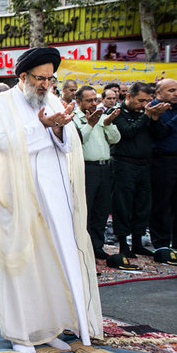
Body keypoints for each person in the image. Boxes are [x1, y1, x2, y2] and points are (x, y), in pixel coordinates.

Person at [0, 47, 103, 353]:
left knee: (53, 262)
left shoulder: (51, 101)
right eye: (40, 78)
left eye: (50, 78)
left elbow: (67, 146)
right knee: (20, 263)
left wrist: (60, 128)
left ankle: (48, 328)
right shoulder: (0, 103)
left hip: (54, 199)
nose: (46, 84)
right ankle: (21, 334)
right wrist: (43, 126)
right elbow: (0, 142)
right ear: (23, 76)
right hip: (17, 199)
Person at [111, 82, 170, 258]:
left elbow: (160, 134)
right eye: (140, 100)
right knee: (123, 205)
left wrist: (156, 118)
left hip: (144, 165)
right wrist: (147, 116)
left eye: (147, 101)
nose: (143, 104)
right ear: (128, 96)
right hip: (124, 165)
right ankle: (123, 243)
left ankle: (137, 242)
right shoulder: (117, 113)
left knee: (142, 205)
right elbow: (127, 132)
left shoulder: (147, 113)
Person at [72, 86, 121, 259]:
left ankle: (97, 246)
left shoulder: (102, 115)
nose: (93, 103)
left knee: (101, 210)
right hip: (87, 168)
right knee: (86, 209)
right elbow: (77, 141)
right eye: (89, 100)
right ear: (78, 102)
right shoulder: (74, 118)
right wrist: (90, 124)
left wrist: (107, 124)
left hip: (105, 167)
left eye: (95, 100)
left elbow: (115, 139)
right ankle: (83, 247)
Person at [148, 78, 177, 263]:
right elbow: (160, 133)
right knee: (162, 202)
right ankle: (161, 244)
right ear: (159, 94)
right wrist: (156, 117)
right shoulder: (153, 109)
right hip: (162, 160)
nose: (176, 93)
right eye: (171, 90)